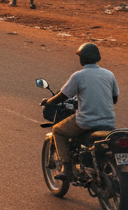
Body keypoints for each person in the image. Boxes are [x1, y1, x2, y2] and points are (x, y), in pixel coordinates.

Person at [44, 42, 119, 178]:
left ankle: (67, 169)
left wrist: (47, 101)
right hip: (108, 122)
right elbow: (114, 99)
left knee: (58, 131)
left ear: (82, 59)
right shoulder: (109, 74)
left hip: (86, 122)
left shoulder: (79, 76)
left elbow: (62, 96)